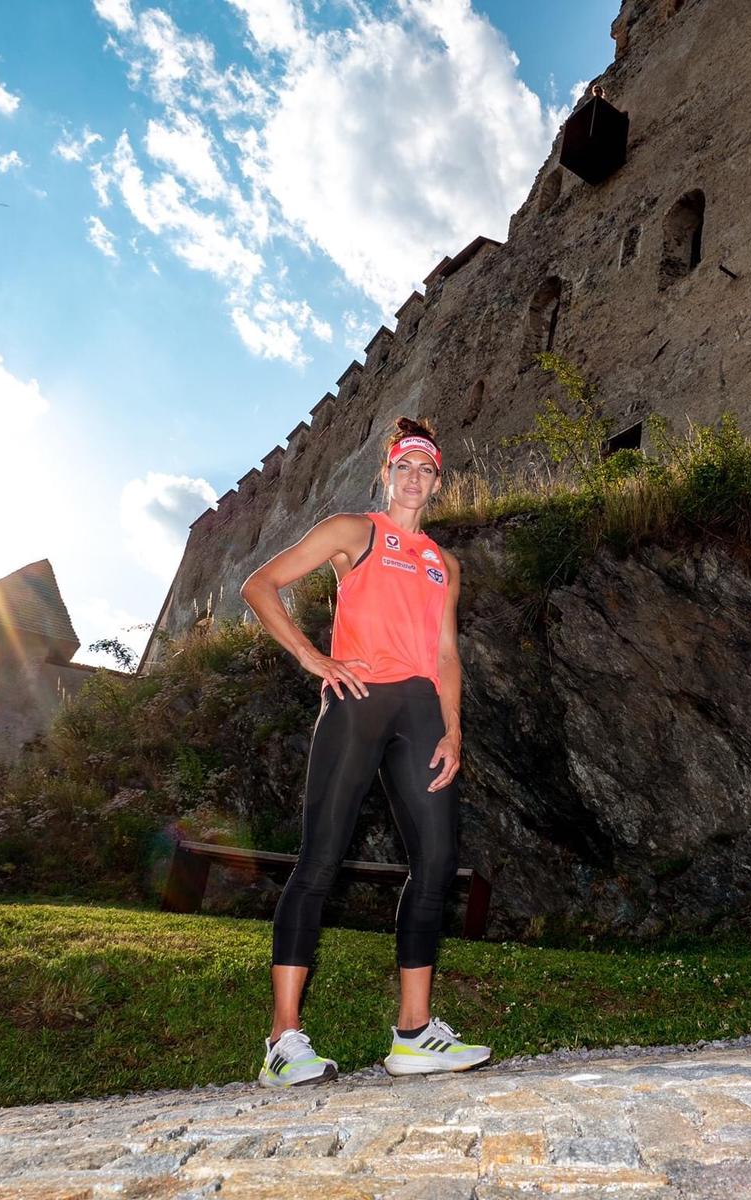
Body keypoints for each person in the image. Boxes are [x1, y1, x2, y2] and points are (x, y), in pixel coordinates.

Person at [239, 417, 490, 1085]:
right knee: (319, 861)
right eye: (403, 466)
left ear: (438, 482)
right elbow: (260, 585)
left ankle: (413, 1033)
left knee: (436, 861)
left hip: (419, 710)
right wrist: (310, 656)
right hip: (355, 700)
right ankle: (282, 1038)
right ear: (387, 474)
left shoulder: (445, 562)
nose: (414, 477)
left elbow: (445, 655)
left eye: (426, 469)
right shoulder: (356, 532)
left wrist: (453, 727)